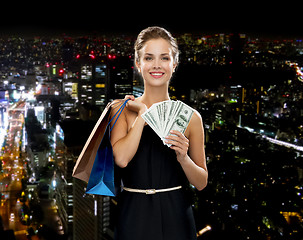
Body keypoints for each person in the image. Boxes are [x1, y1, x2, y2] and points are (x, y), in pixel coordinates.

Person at [110, 26, 208, 240]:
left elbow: (201, 182)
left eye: (164, 58)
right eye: (149, 58)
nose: (156, 65)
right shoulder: (121, 109)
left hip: (177, 214)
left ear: (175, 63)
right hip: (133, 214)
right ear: (138, 63)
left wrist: (183, 158)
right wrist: (143, 115)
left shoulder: (191, 117)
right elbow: (122, 159)